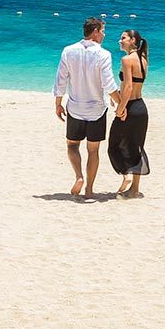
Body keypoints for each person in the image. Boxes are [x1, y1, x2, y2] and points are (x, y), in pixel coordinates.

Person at [54, 16, 120, 199]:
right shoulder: (103, 54)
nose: (104, 35)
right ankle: (89, 189)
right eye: (103, 31)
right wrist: (120, 102)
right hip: (97, 111)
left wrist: (58, 104)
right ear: (96, 31)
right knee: (93, 150)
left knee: (72, 146)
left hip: (75, 107)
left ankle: (79, 176)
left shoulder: (68, 51)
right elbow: (109, 84)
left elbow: (61, 79)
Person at [109, 29, 151, 196]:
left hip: (130, 108)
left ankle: (126, 175)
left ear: (133, 41)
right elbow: (134, 85)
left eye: (124, 38)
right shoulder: (143, 59)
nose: (120, 41)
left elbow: (128, 87)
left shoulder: (127, 60)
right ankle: (135, 189)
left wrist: (121, 108)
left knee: (113, 146)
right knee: (136, 148)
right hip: (141, 108)